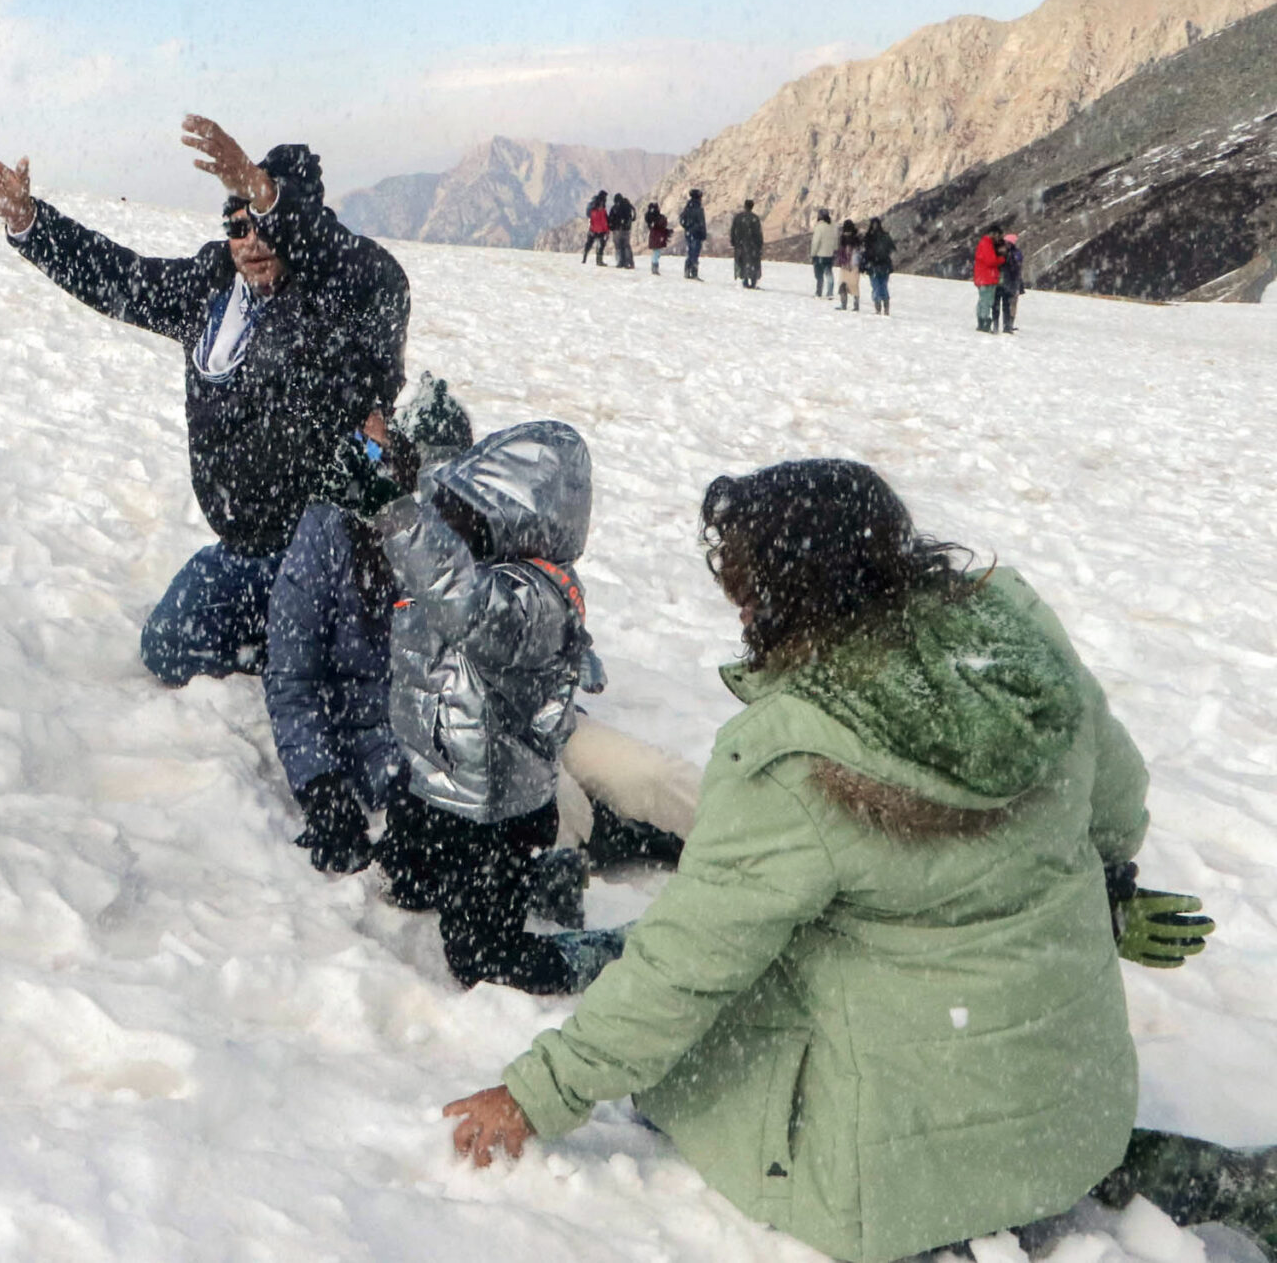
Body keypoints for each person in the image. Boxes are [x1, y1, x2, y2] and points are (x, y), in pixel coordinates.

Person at [440, 459, 1273, 1261]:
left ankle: (957, 1183)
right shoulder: (1016, 638)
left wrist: (537, 1091)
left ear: (778, 591)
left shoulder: (790, 754)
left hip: (898, 1188)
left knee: (693, 1061)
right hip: (1079, 1111)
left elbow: (683, 969)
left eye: (738, 580)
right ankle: (1140, 1166)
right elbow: (1118, 806)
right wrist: (1092, 881)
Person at [0, 117, 409, 685]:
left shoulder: (352, 289)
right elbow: (118, 278)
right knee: (168, 649)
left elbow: (338, 258)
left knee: (316, 684)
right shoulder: (211, 284)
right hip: (244, 550)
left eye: (266, 224)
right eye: (237, 224)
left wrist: (266, 193)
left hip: (330, 553)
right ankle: (275, 641)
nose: (252, 242)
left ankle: (323, 641)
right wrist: (29, 222)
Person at [264, 394, 694, 901]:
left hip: (534, 712)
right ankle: (610, 838)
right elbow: (293, 680)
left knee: (653, 775)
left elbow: (531, 613)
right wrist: (321, 786)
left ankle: (760, 833)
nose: (434, 498)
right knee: (558, 811)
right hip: (437, 744)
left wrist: (567, 653)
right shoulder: (329, 533)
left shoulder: (469, 518)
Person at [358, 420, 635, 993]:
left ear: (521, 522)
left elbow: (462, 604)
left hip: (496, 809)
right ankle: (541, 874)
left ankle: (612, 953)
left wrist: (399, 518)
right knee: (399, 882)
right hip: (435, 779)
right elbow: (437, 543)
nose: (452, 525)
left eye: (468, 515)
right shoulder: (474, 562)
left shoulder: (534, 596)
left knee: (479, 957)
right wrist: (381, 469)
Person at [727, 199, 763, 289]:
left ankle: (745, 280)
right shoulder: (755, 218)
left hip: (740, 245)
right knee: (753, 262)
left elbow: (733, 230)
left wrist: (734, 241)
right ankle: (753, 282)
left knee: (742, 262)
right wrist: (759, 245)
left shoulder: (738, 217)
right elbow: (758, 233)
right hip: (752, 246)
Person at [974, 224, 1004, 331]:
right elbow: (990, 261)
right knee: (987, 301)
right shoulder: (987, 244)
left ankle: (981, 321)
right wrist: (1001, 259)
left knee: (983, 300)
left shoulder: (984, 243)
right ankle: (984, 321)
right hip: (987, 277)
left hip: (982, 277)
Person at [862, 217, 894, 315]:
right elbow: (891, 249)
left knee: (876, 287)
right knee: (882, 287)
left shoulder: (869, 237)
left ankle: (879, 308)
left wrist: (864, 264)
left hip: (874, 266)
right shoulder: (885, 236)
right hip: (884, 266)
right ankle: (884, 308)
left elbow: (866, 253)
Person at [998, 231, 1025, 333]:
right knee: (1011, 304)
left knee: (1008, 304)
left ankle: (1008, 325)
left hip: (1008, 281)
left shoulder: (1005, 253)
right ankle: (1008, 325)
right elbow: (1017, 267)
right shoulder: (1015, 253)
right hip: (1012, 282)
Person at [678, 189, 707, 279]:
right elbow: (702, 223)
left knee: (690, 252)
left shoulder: (687, 208)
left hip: (688, 233)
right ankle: (694, 272)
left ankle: (687, 270)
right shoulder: (699, 209)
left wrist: (687, 227)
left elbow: (682, 220)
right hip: (697, 234)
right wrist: (703, 234)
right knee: (695, 253)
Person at [809, 208, 837, 298]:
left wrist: (813, 253)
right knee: (829, 273)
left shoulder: (819, 227)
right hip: (830, 254)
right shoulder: (833, 227)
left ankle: (819, 292)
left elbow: (816, 242)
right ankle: (830, 292)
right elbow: (836, 240)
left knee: (819, 275)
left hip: (820, 254)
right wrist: (834, 250)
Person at [835, 218, 861, 311]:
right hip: (854, 266)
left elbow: (841, 252)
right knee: (854, 286)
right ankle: (856, 305)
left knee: (842, 284)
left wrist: (843, 262)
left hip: (845, 265)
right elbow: (858, 253)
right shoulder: (857, 238)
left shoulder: (843, 238)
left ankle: (844, 304)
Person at [606, 193, 636, 270]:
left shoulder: (614, 208)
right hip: (626, 230)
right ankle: (629, 263)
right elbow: (632, 217)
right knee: (626, 246)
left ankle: (620, 262)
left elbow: (610, 219)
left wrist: (611, 228)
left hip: (617, 230)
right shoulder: (627, 206)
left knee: (618, 247)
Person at [643, 202, 671, 275]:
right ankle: (655, 267)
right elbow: (663, 224)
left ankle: (654, 266)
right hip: (659, 236)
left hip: (653, 235)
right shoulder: (659, 218)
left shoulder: (650, 219)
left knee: (656, 251)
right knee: (656, 252)